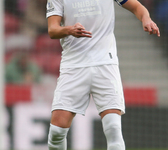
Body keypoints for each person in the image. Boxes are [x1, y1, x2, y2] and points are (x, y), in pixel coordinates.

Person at [46, 0, 160, 149]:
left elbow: (136, 6)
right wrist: (69, 30)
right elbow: (52, 30)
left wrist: (146, 18)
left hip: (105, 64)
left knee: (113, 128)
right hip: (73, 66)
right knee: (56, 133)